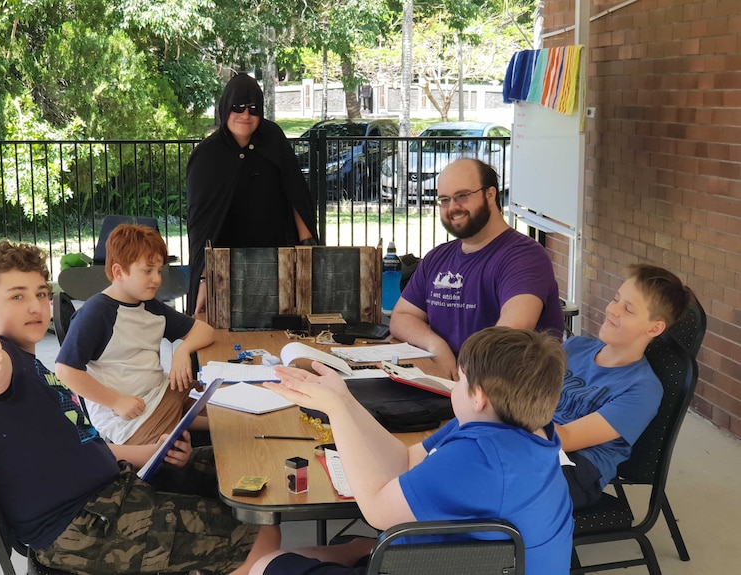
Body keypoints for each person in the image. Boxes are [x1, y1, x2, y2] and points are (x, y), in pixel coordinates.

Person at [0, 239, 279, 574]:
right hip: (84, 524)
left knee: (237, 466)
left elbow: (84, 447)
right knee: (261, 535)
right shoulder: (2, 362)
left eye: (41, 293)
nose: (36, 306)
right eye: (17, 296)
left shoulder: (33, 367)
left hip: (112, 490)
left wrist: (155, 451)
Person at [251, 327, 574, 575]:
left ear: (479, 396)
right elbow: (405, 460)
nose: (452, 387)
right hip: (459, 562)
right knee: (329, 553)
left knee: (268, 564)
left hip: (440, 565)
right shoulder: (516, 431)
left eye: (459, 380)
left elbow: (377, 513)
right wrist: (347, 400)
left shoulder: (480, 458)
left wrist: (336, 411)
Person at [390, 158, 565, 380]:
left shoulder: (524, 256)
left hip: (502, 395)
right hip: (446, 386)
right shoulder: (438, 257)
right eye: (444, 200)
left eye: (462, 196)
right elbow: (402, 316)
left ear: (490, 195)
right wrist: (437, 346)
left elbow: (510, 334)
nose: (452, 207)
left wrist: (464, 377)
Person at [55, 223, 215, 447]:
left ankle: (203, 427)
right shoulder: (96, 313)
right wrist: (117, 401)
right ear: (119, 272)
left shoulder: (150, 306)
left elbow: (205, 331)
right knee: (183, 452)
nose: (157, 279)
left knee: (231, 412)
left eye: (159, 271)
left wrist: (183, 349)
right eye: (147, 271)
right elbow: (65, 370)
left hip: (161, 395)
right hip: (128, 420)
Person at [554, 263, 691, 510]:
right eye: (616, 299)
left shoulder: (642, 389)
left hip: (574, 470)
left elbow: (564, 438)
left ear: (654, 328)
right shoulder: (575, 348)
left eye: (628, 309)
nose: (612, 310)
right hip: (533, 444)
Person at [186, 73, 319, 318]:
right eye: (237, 107)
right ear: (225, 108)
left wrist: (307, 251)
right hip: (224, 266)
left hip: (274, 260)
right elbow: (200, 227)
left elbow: (296, 196)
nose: (245, 115)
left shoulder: (273, 139)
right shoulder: (207, 156)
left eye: (253, 109)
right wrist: (204, 279)